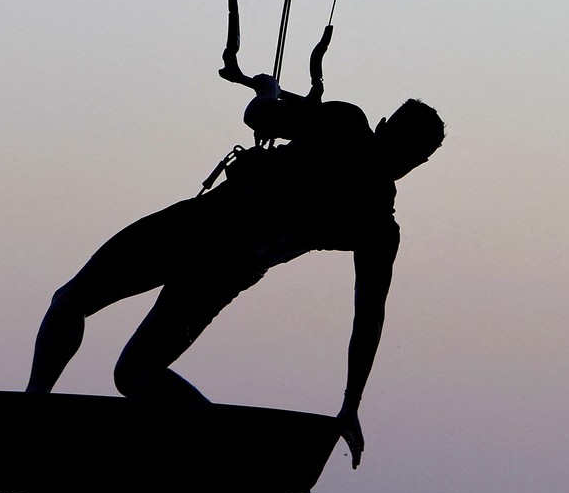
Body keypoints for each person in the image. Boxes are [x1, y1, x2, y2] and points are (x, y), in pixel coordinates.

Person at [25, 72, 445, 468]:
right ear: (384, 127)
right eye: (400, 147)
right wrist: (268, 95)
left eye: (412, 157)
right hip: (193, 238)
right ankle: (31, 411)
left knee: (133, 370)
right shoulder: (352, 147)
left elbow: (369, 318)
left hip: (209, 266)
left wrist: (351, 404)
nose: (401, 161)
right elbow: (263, 118)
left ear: (422, 162)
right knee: (73, 304)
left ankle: (229, 450)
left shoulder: (372, 213)